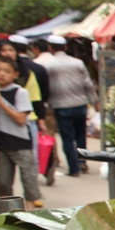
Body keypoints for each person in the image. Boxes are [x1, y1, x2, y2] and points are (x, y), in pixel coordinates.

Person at [44, 34, 99, 177]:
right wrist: (94, 101)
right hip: (80, 104)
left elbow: (46, 87)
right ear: (66, 47)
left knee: (67, 138)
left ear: (50, 48)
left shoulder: (49, 65)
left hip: (61, 106)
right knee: (81, 135)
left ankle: (74, 168)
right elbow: (88, 84)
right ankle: (83, 162)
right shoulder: (77, 63)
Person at [0, 56, 43, 209]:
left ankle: (30, 212)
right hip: (0, 142)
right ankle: (5, 212)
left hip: (20, 142)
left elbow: (21, 119)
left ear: (15, 74)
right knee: (3, 181)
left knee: (28, 178)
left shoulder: (20, 92)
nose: (2, 74)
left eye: (7, 71)